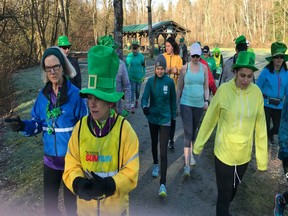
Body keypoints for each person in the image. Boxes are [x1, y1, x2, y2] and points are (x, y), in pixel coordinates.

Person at [5, 46, 88, 216]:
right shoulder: (42, 97)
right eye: (48, 67)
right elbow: (36, 124)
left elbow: (85, 130)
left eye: (55, 66)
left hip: (71, 163)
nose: (52, 71)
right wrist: (21, 126)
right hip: (50, 162)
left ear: (63, 66)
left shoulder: (76, 96)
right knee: (50, 208)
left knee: (71, 207)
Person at [63, 45, 139, 215]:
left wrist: (111, 185)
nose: (92, 103)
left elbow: (132, 171)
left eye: (98, 98)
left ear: (110, 101)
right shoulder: (80, 128)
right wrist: (77, 183)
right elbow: (71, 163)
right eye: (90, 97)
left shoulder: (124, 131)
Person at [193, 51, 268, 216]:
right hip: (223, 154)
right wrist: (198, 145)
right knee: (224, 196)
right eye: (242, 75)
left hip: (243, 156)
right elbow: (210, 119)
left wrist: (262, 160)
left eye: (249, 76)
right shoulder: (224, 91)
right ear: (235, 72)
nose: (246, 80)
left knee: (232, 192)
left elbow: (261, 127)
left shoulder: (256, 94)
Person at [141, 54, 176, 197]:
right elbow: (144, 98)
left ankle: (163, 184)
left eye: (162, 68)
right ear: (155, 68)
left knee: (164, 151)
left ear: (165, 69)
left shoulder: (169, 82)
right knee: (154, 143)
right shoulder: (150, 81)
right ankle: (155, 163)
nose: (160, 71)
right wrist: (144, 107)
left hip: (166, 118)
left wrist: (173, 117)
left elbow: (173, 101)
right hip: (153, 117)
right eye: (157, 69)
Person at [177, 42, 209, 176]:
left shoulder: (204, 68)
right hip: (186, 103)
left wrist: (206, 100)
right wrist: (177, 104)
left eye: (198, 56)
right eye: (193, 56)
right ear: (190, 55)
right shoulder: (184, 69)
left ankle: (190, 155)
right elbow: (179, 87)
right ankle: (186, 166)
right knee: (188, 132)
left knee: (193, 131)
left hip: (199, 104)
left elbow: (206, 87)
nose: (195, 58)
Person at [256, 42, 288, 145]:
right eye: (276, 57)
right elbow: (257, 87)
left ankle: (270, 134)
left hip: (280, 106)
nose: (279, 59)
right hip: (266, 104)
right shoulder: (266, 71)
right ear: (273, 59)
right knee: (264, 126)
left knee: (278, 128)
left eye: (281, 57)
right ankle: (263, 144)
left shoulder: (286, 73)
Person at [98, 35, 132, 117]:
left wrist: (127, 107)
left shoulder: (120, 65)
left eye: (110, 50)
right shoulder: (97, 65)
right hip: (100, 109)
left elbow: (127, 85)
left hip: (117, 109)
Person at [163, 36, 183, 149]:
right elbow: (158, 69)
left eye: (168, 46)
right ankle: (164, 137)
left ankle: (171, 139)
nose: (167, 48)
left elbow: (182, 73)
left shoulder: (178, 58)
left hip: (174, 90)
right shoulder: (163, 57)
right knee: (164, 113)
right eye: (166, 46)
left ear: (173, 46)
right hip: (163, 89)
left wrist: (177, 71)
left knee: (172, 115)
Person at [126, 40, 146, 114]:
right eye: (133, 48)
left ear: (138, 48)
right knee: (132, 91)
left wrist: (143, 75)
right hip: (131, 77)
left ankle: (137, 100)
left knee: (137, 91)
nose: (135, 50)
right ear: (131, 49)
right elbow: (125, 66)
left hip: (139, 77)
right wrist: (126, 76)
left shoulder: (141, 57)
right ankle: (132, 105)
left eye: (136, 48)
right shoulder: (129, 57)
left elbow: (144, 67)